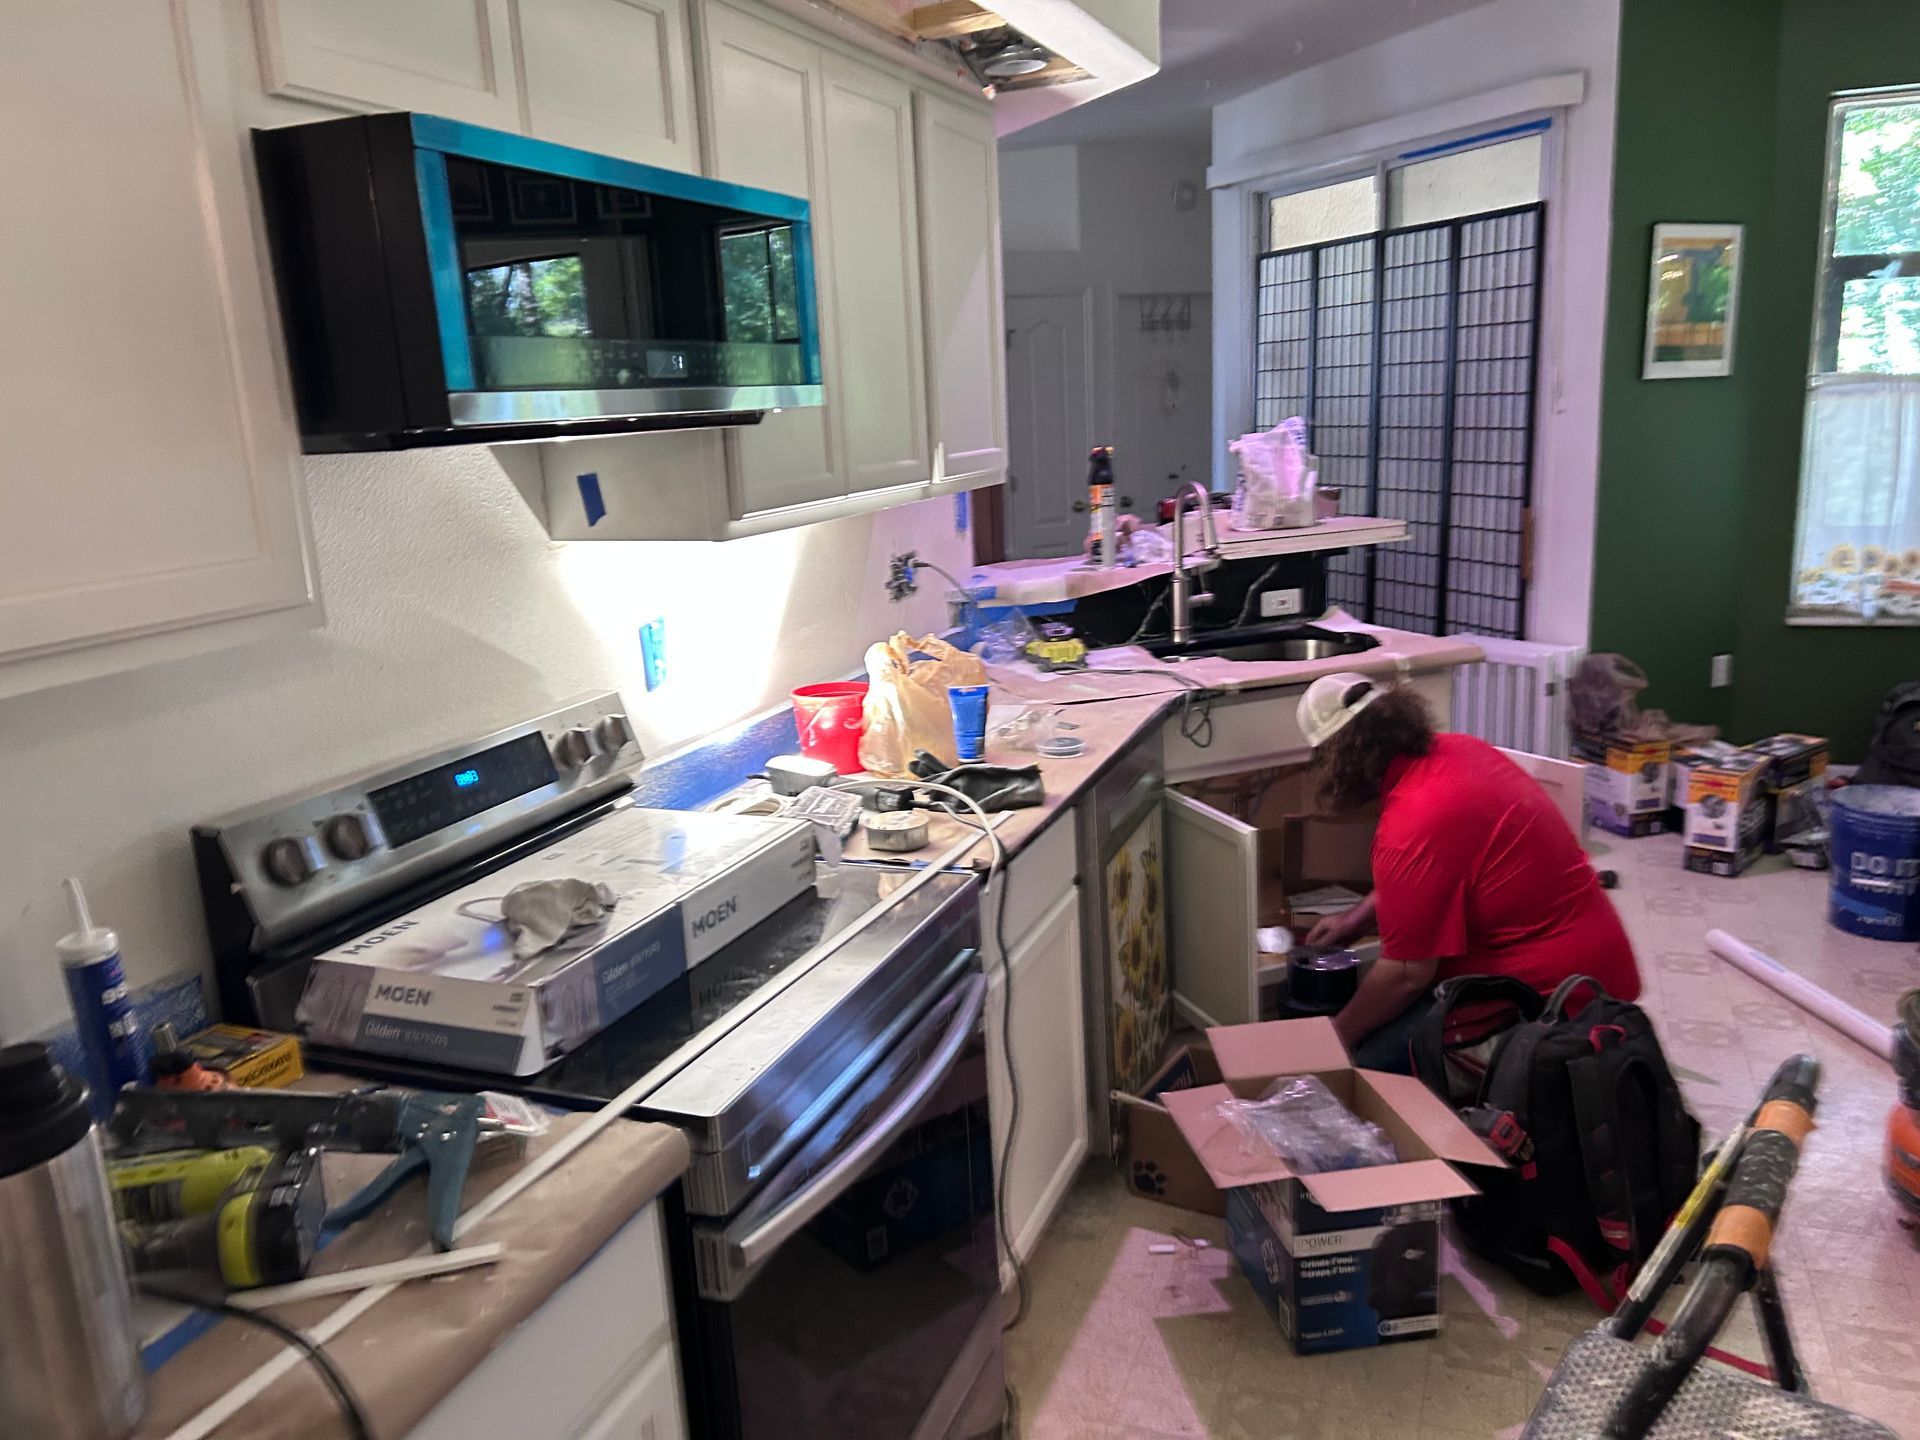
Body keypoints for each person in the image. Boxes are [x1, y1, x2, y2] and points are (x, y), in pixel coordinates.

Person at [1296, 672, 1641, 1073]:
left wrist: (1335, 1037)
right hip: (1598, 965)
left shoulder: (1412, 822)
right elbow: (1434, 874)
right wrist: (1355, 920)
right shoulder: (1462, 750)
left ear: (1341, 758)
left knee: (1373, 1067)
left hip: (1556, 998)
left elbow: (1406, 976)